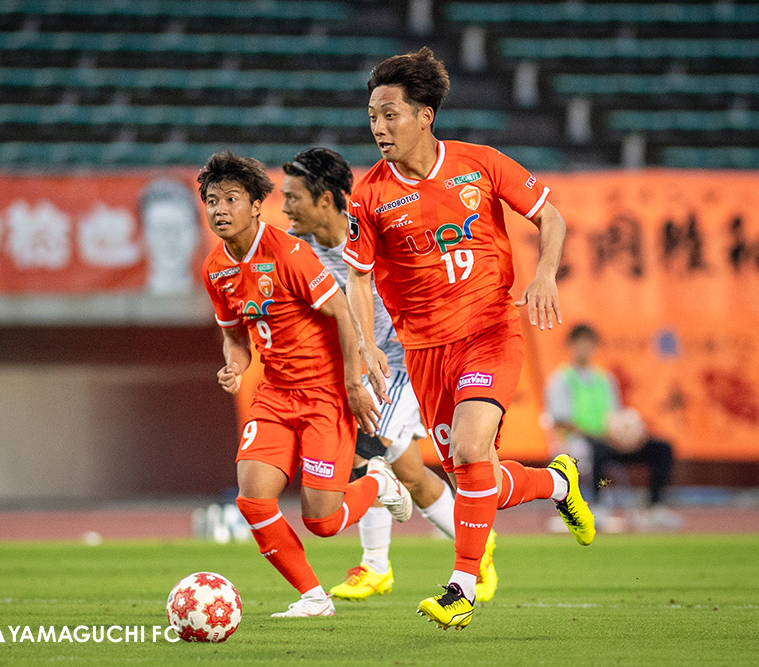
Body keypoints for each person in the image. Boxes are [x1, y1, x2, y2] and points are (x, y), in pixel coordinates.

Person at [343, 47, 595, 630]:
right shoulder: (370, 195)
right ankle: (557, 482)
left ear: (424, 115)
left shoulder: (478, 163)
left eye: (390, 114)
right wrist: (365, 342)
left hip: (489, 330)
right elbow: (357, 275)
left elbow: (550, 216)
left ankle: (461, 588)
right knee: (473, 474)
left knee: (470, 448)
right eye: (373, 116)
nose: (379, 127)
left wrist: (545, 274)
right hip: (423, 351)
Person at [199, 151, 414, 618]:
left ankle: (378, 482)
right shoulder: (215, 268)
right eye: (212, 201)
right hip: (275, 395)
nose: (220, 210)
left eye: (231, 199)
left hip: (323, 395)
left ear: (257, 205)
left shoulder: (289, 254)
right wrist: (234, 366)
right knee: (253, 498)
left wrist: (354, 384)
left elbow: (343, 312)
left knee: (323, 521)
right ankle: (314, 597)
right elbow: (235, 337)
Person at [280, 147, 497, 604]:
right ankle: (477, 539)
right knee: (411, 476)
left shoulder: (375, 233)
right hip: (361, 370)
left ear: (325, 199)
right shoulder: (300, 252)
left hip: (404, 361)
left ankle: (375, 565)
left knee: (363, 455)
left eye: (293, 197)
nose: (285, 207)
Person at [544, 323, 679, 530]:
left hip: (610, 440)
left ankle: (655, 507)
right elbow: (561, 421)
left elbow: (615, 416)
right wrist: (599, 435)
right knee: (595, 447)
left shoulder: (605, 380)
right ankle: (597, 506)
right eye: (579, 343)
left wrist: (627, 434)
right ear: (570, 346)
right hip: (577, 443)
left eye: (588, 343)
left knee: (662, 448)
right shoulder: (561, 380)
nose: (584, 348)